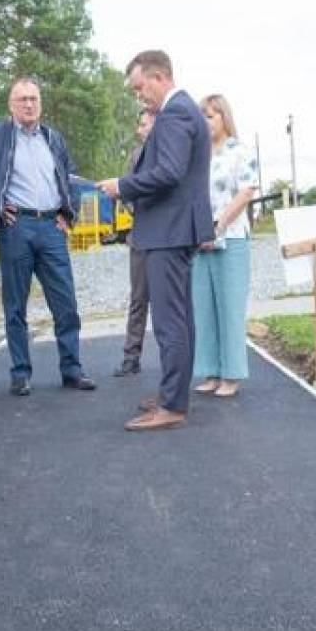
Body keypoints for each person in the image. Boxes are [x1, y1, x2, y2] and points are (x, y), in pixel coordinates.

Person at [96, 50, 213, 431]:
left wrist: (122, 186)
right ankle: (172, 393)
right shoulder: (182, 112)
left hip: (169, 231)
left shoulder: (176, 113)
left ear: (159, 77)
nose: (138, 96)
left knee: (169, 322)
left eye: (139, 87)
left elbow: (169, 172)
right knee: (178, 319)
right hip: (174, 229)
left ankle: (173, 405)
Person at [0, 76, 96, 396]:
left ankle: (72, 369)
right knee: (15, 305)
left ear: (40, 104)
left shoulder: (53, 139)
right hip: (16, 228)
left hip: (51, 229)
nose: (29, 104)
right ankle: (20, 373)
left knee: (65, 302)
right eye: (22, 99)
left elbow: (68, 177)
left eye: (34, 99)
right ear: (10, 105)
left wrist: (69, 215)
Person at [191, 95, 258, 398]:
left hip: (230, 239)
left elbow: (245, 194)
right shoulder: (199, 155)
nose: (205, 122)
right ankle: (211, 371)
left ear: (223, 117)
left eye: (210, 116)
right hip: (200, 242)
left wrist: (216, 226)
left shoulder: (240, 151)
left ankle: (231, 374)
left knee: (229, 309)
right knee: (203, 308)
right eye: (202, 116)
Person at [114, 108, 155, 377]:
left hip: (169, 238)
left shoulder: (173, 151)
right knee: (138, 299)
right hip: (140, 235)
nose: (139, 130)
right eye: (139, 125)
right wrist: (129, 201)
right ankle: (131, 357)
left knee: (170, 303)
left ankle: (176, 362)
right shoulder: (136, 156)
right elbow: (128, 190)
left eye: (143, 125)